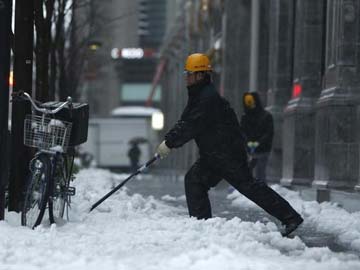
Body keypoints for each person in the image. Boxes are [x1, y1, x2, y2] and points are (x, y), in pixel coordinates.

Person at [156, 53, 303, 237]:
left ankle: (290, 217)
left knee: (249, 187)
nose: (187, 77)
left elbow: (191, 124)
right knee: (194, 180)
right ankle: (202, 225)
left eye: (190, 73)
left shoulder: (207, 98)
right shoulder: (199, 94)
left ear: (200, 75)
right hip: (214, 155)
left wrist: (170, 143)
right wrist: (169, 141)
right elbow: (186, 120)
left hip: (227, 154)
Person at [240, 92, 273, 183]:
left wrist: (258, 142)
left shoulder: (266, 116)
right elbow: (242, 132)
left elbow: (268, 133)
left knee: (260, 172)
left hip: (263, 149)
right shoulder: (245, 117)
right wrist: (248, 142)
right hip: (250, 149)